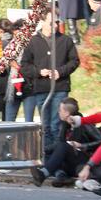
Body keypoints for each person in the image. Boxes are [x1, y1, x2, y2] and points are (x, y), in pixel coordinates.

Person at [18, 12, 80, 154]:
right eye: (52, 22)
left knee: (56, 124)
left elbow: (74, 61)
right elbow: (25, 66)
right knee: (45, 125)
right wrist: (39, 72)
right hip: (41, 87)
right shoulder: (32, 42)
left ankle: (58, 156)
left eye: (57, 22)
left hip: (60, 87)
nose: (56, 25)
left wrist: (60, 72)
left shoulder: (66, 40)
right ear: (43, 22)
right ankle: (48, 156)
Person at [30, 97, 101, 186]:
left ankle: (44, 174)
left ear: (67, 113)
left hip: (84, 161)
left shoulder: (84, 123)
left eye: (60, 110)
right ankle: (62, 176)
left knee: (63, 146)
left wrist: (82, 145)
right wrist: (39, 152)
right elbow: (57, 145)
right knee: (49, 153)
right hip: (70, 159)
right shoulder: (64, 125)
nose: (58, 112)